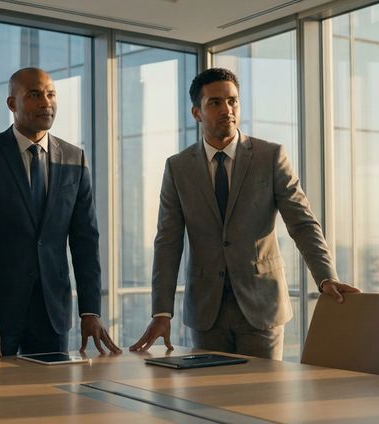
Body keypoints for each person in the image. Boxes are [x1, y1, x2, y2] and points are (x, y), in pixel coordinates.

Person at [129, 68, 359, 359]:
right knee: (208, 400)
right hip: (206, 312)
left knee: (263, 400)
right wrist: (162, 311)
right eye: (214, 102)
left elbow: (302, 223)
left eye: (233, 101)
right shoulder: (178, 168)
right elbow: (168, 241)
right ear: (196, 113)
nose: (227, 109)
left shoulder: (270, 156)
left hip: (262, 307)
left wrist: (326, 277)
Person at [0, 67, 120, 361]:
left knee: (53, 401)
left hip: (51, 312)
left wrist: (90, 311)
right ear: (11, 104)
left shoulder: (74, 158)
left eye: (50, 94)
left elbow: (85, 241)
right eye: (34, 95)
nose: (46, 102)